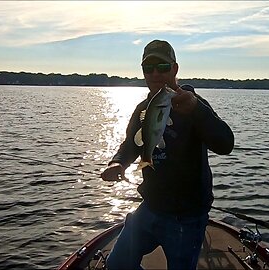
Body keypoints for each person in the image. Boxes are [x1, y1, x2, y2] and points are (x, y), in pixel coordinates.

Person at [100, 39, 234, 270]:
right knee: (117, 264)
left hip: (187, 217)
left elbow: (225, 144)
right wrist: (118, 163)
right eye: (148, 68)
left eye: (162, 67)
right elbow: (131, 145)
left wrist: (196, 111)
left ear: (175, 68)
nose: (155, 73)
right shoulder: (143, 109)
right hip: (150, 207)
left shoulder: (194, 104)